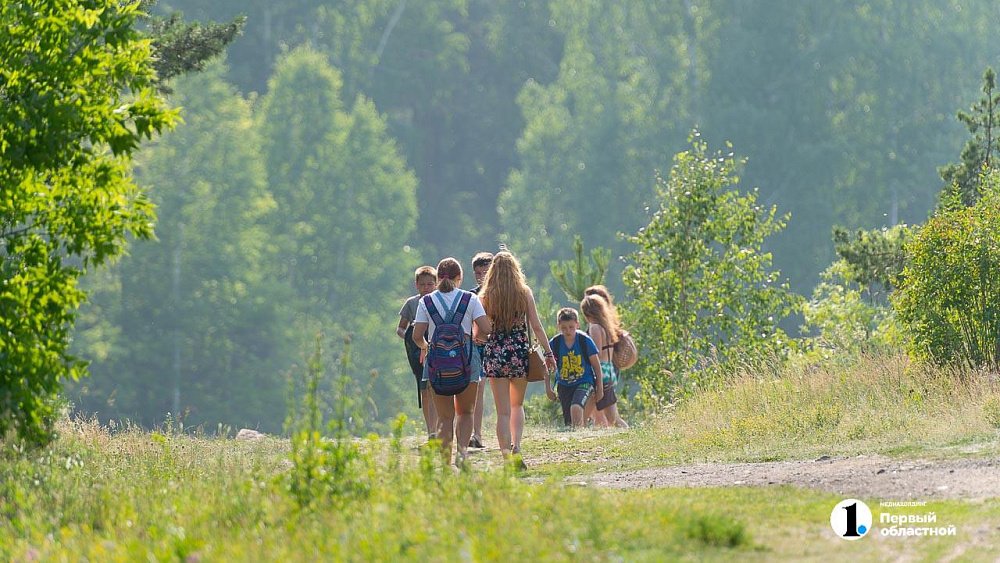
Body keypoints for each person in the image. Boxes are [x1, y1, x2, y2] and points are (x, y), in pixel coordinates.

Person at [411, 258, 492, 467]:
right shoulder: (470, 299)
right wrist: (478, 339)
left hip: (436, 364)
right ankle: (462, 453)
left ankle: (445, 464)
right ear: (460, 277)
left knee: (445, 418)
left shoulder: (426, 302)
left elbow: (417, 334)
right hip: (467, 360)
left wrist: (424, 347)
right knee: (466, 412)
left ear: (438, 278)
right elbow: (486, 328)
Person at [480, 251, 555, 467]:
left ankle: (505, 457)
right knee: (517, 405)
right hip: (518, 353)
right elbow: (536, 326)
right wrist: (548, 353)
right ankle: (517, 447)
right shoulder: (524, 292)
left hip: (495, 354)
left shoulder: (485, 296)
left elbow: (480, 331)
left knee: (502, 411)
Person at [396, 266, 439, 439]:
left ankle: (442, 427)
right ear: (416, 285)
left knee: (439, 388)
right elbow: (401, 328)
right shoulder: (411, 303)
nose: (426, 288)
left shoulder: (440, 301)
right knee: (425, 389)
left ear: (436, 284)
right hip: (418, 353)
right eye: (423, 285)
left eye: (430, 284)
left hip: (438, 350)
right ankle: (431, 431)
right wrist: (411, 339)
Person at [546, 308, 604, 428]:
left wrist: (600, 388)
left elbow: (597, 366)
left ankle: (579, 439)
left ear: (577, 324)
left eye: (571, 327)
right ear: (558, 326)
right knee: (570, 423)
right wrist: (548, 388)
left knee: (576, 407)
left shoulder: (584, 340)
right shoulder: (555, 343)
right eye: (564, 328)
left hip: (584, 381)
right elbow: (546, 367)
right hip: (564, 385)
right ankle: (582, 434)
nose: (568, 331)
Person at [581, 295, 629, 428]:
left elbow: (595, 353)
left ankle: (577, 429)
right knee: (610, 416)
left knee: (610, 417)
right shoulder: (607, 327)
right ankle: (578, 428)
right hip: (609, 370)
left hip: (600, 372)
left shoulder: (595, 328)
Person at [467, 252, 494, 450]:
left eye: (485, 272)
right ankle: (476, 434)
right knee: (478, 389)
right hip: (478, 347)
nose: (481, 277)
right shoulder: (471, 296)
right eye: (478, 273)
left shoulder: (503, 294)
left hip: (499, 345)